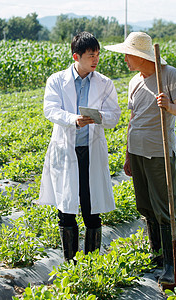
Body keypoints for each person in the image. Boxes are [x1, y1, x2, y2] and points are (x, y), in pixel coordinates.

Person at [105, 32, 176, 284]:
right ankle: (156, 254)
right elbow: (132, 120)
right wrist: (128, 154)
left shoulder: (169, 75)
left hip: (159, 152)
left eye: (128, 55)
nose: (125, 61)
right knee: (145, 205)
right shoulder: (134, 82)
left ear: (141, 56)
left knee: (165, 207)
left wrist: (168, 105)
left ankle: (170, 265)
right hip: (138, 152)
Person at [38, 31, 121, 261]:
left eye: (97, 55)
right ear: (76, 56)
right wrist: (73, 119)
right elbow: (50, 109)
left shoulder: (104, 83)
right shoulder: (56, 80)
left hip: (90, 151)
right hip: (66, 151)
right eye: (90, 55)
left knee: (91, 207)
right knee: (66, 208)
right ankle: (70, 263)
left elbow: (115, 116)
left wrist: (98, 117)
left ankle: (91, 264)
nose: (95, 59)